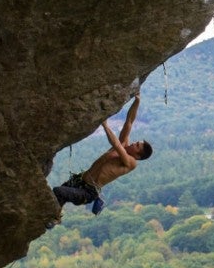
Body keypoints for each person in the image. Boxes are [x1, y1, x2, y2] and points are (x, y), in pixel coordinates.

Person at [52, 92, 152, 223]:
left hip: (88, 192)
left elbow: (115, 144)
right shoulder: (124, 145)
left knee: (59, 191)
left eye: (137, 145)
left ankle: (53, 219)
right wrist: (137, 101)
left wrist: (105, 125)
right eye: (136, 142)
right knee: (57, 195)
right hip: (80, 180)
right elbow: (129, 122)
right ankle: (55, 215)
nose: (134, 143)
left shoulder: (130, 162)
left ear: (138, 156)